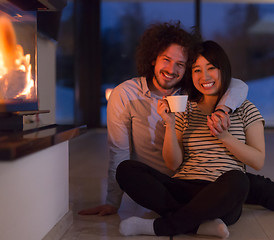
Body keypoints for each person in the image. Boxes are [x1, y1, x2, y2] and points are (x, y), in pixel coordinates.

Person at [116, 40, 274, 238]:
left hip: (223, 191)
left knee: (240, 180)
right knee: (126, 169)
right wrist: (169, 124)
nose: (204, 75)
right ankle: (198, 224)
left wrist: (224, 136)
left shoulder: (245, 109)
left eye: (211, 67)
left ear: (223, 69)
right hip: (184, 186)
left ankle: (162, 227)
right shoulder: (184, 109)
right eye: (197, 70)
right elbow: (172, 164)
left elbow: (258, 161)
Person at [78, 21, 248, 217]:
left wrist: (222, 110)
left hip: (194, 180)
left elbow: (238, 85)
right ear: (153, 59)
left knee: (247, 182)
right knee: (125, 170)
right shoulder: (125, 94)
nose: (171, 69)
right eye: (166, 59)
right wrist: (112, 202)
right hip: (157, 185)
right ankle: (198, 217)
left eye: (180, 64)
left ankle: (184, 217)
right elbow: (119, 151)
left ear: (187, 68)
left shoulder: (191, 92)